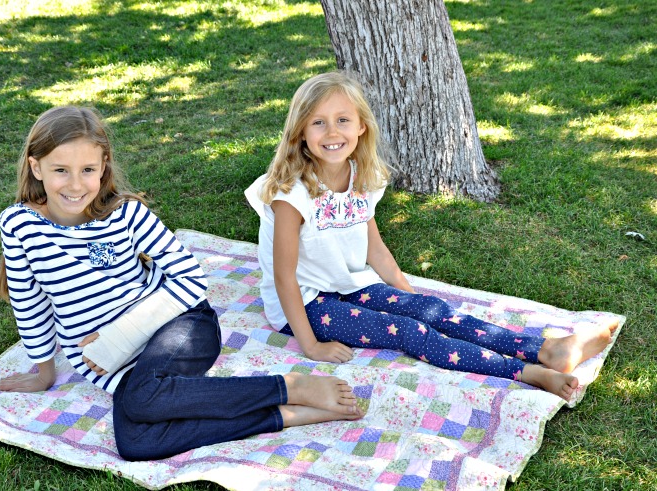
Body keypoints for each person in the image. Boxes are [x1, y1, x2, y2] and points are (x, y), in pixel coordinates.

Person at [0, 105, 363, 461]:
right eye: (61, 171)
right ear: (36, 167)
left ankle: (290, 387)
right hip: (112, 363)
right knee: (135, 442)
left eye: (87, 169)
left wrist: (120, 336)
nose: (75, 184)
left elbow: (191, 279)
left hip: (182, 326)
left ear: (103, 167)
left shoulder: (126, 214)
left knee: (142, 400)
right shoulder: (19, 225)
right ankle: (285, 415)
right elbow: (30, 301)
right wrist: (43, 372)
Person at [244, 72, 617, 402]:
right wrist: (310, 344)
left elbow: (374, 246)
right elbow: (284, 276)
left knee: (431, 311)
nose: (332, 132)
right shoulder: (290, 194)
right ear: (301, 132)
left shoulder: (359, 176)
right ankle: (525, 372)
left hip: (350, 286)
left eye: (343, 120)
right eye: (318, 123)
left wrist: (410, 296)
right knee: (410, 331)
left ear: (361, 127)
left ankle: (546, 349)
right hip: (307, 305)